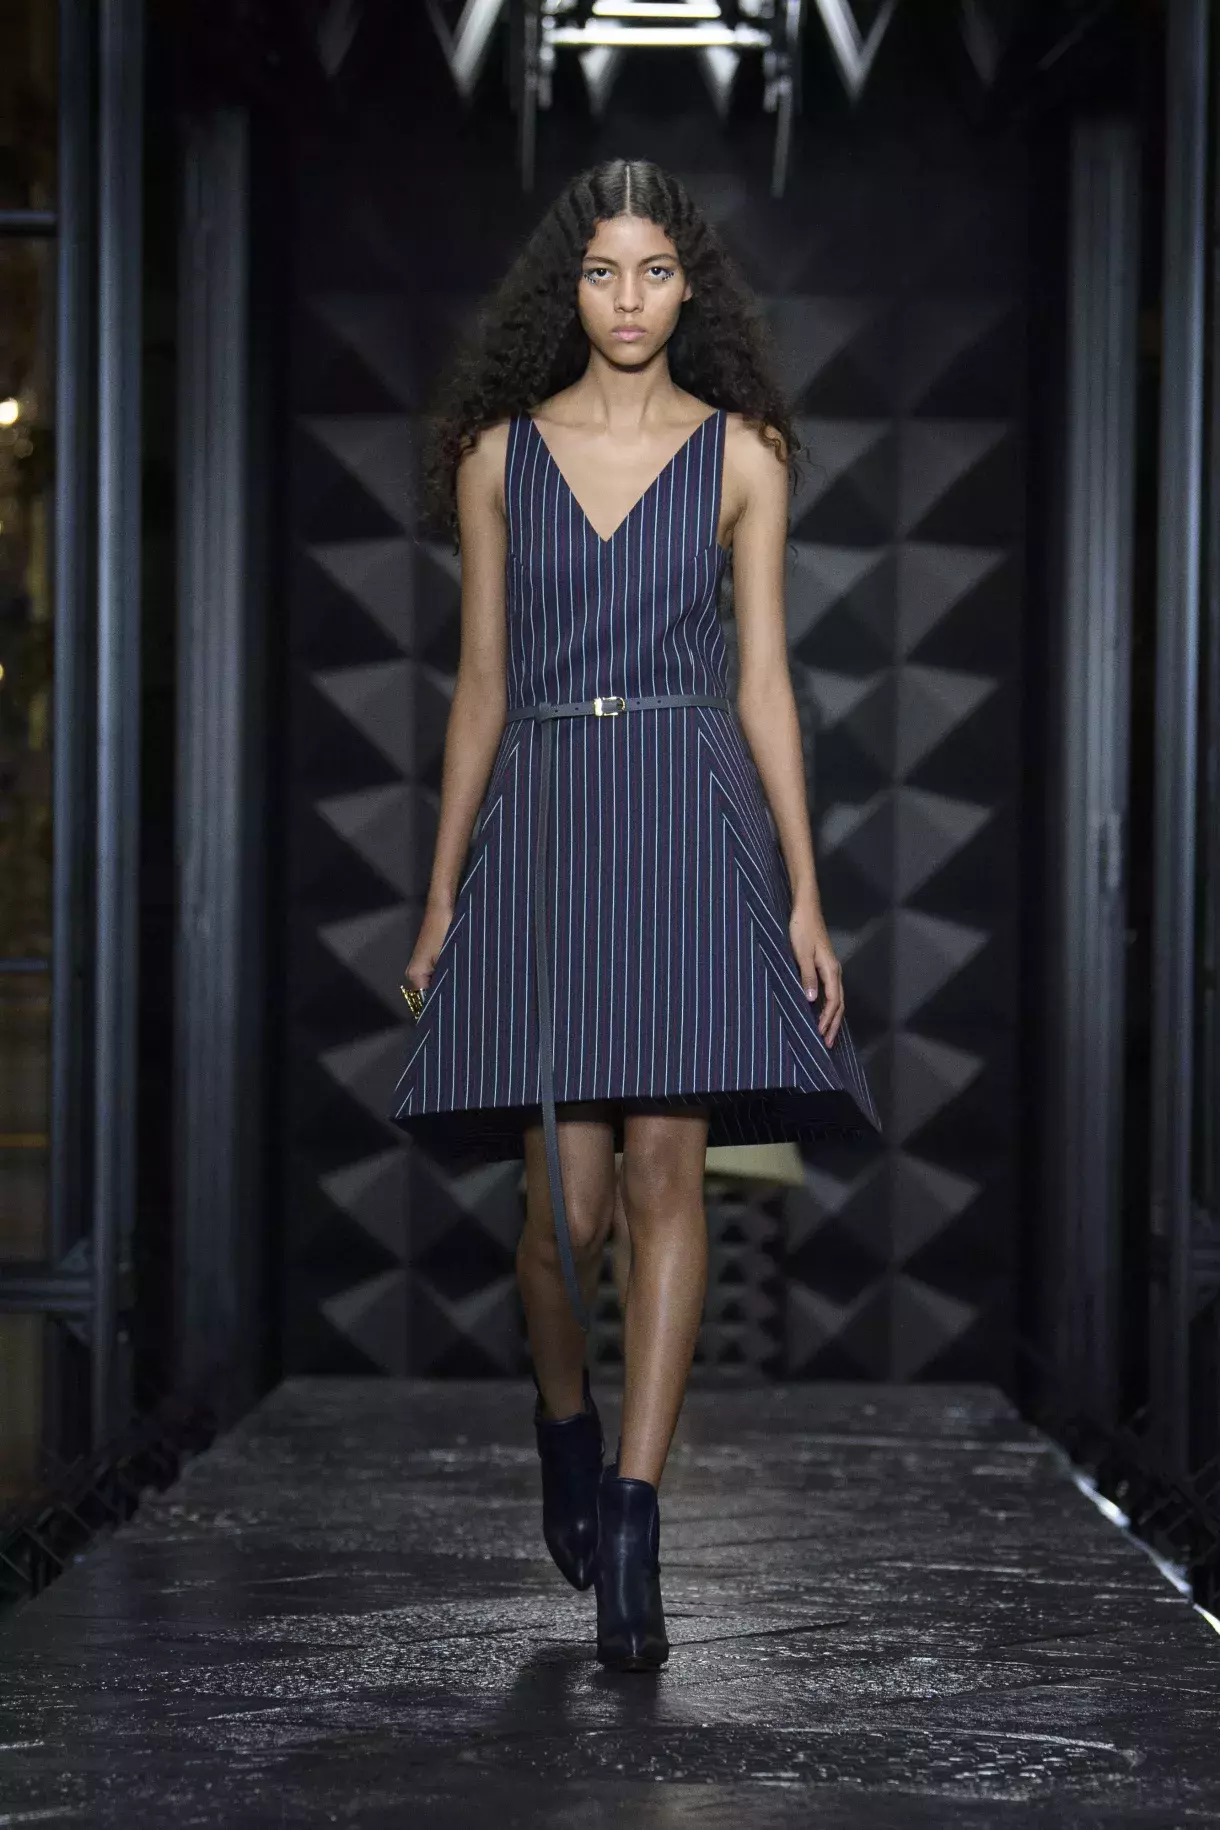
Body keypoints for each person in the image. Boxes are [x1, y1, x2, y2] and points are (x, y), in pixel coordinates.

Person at [392, 158, 881, 1672]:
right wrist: (441, 896)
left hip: (686, 813)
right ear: (569, 287)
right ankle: (566, 1426)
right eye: (602, 272)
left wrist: (803, 893)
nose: (628, 299)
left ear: (690, 287)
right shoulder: (497, 457)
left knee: (672, 1178)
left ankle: (635, 1516)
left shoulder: (745, 455)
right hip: (548, 823)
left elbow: (765, 683)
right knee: (564, 1216)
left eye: (654, 272)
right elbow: (480, 685)